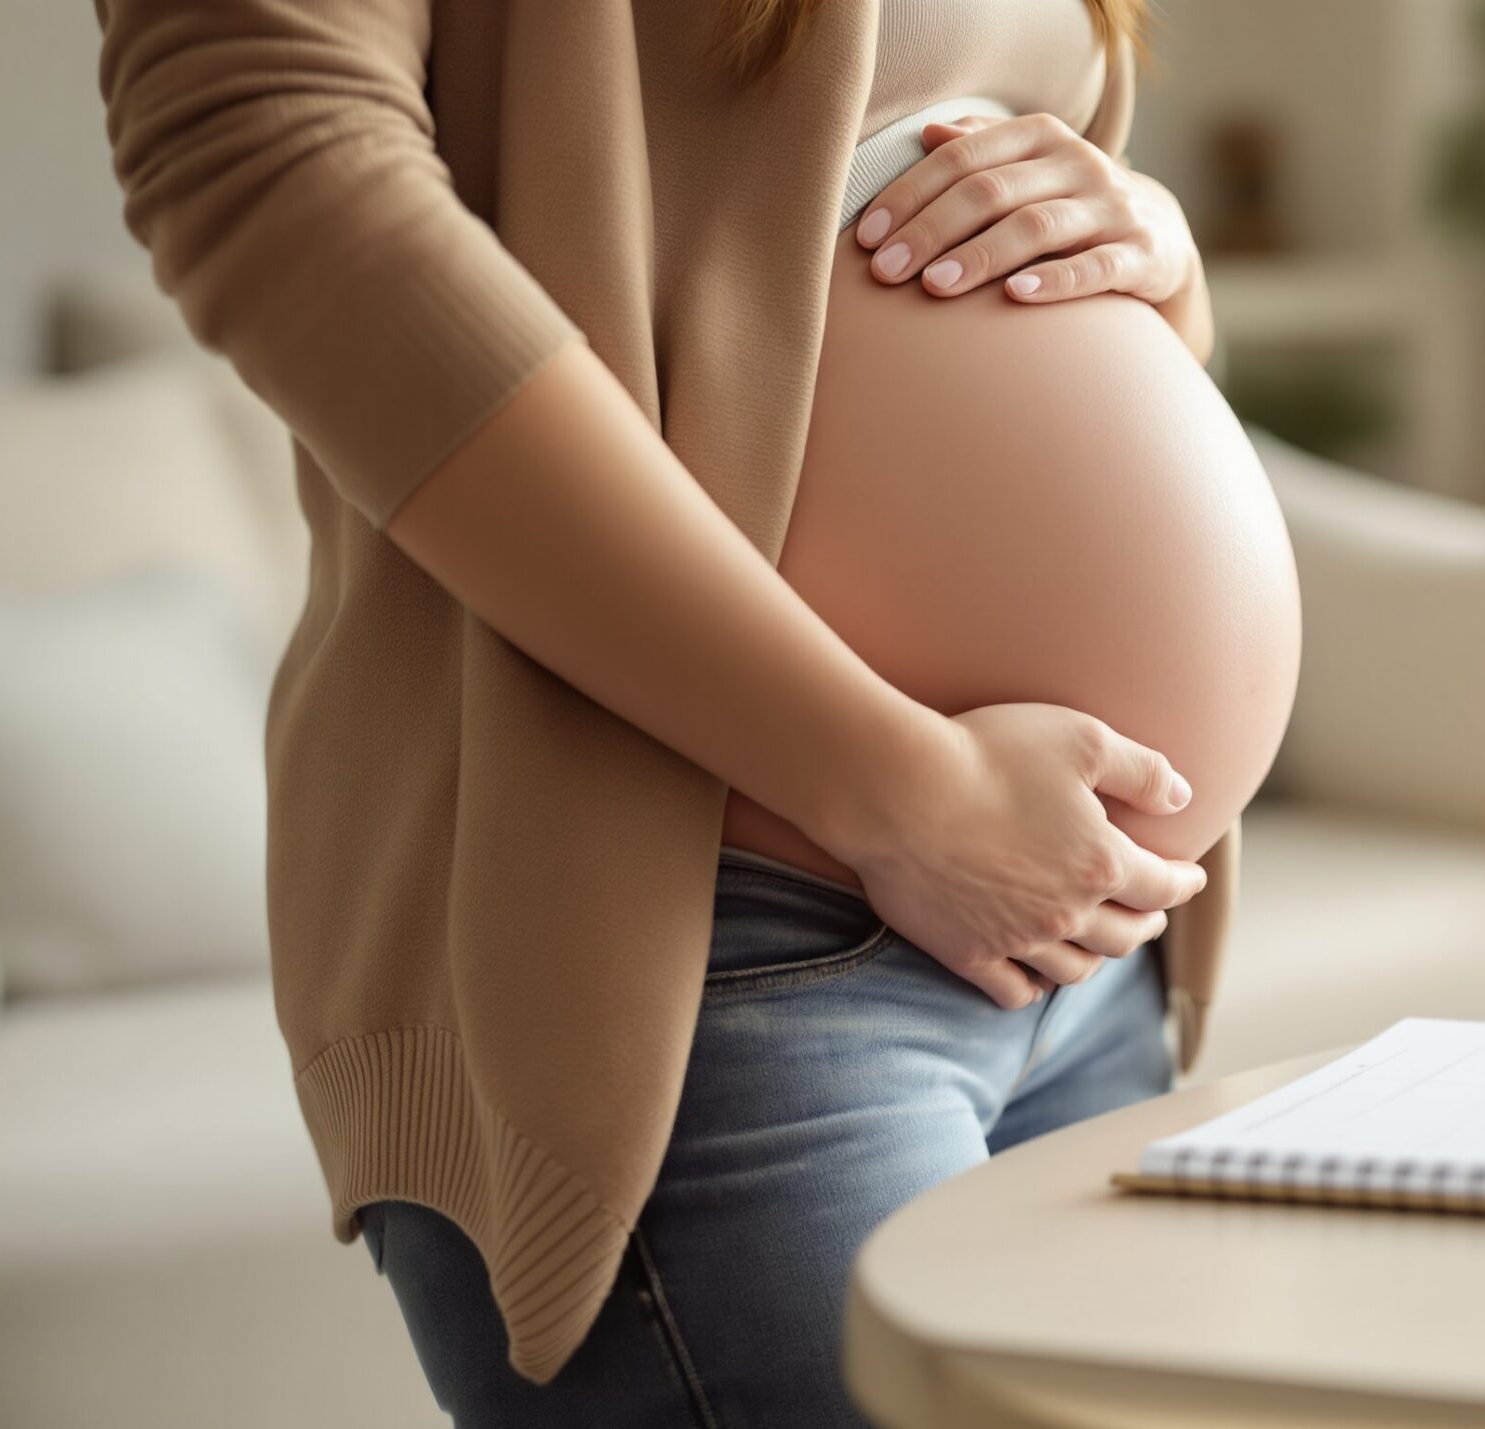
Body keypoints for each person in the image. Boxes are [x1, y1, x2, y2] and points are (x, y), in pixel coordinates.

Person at [95, 0, 1303, 1423]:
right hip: (714, 967)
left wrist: (1145, 240)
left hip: (1094, 946)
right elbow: (268, 168)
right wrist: (890, 784)